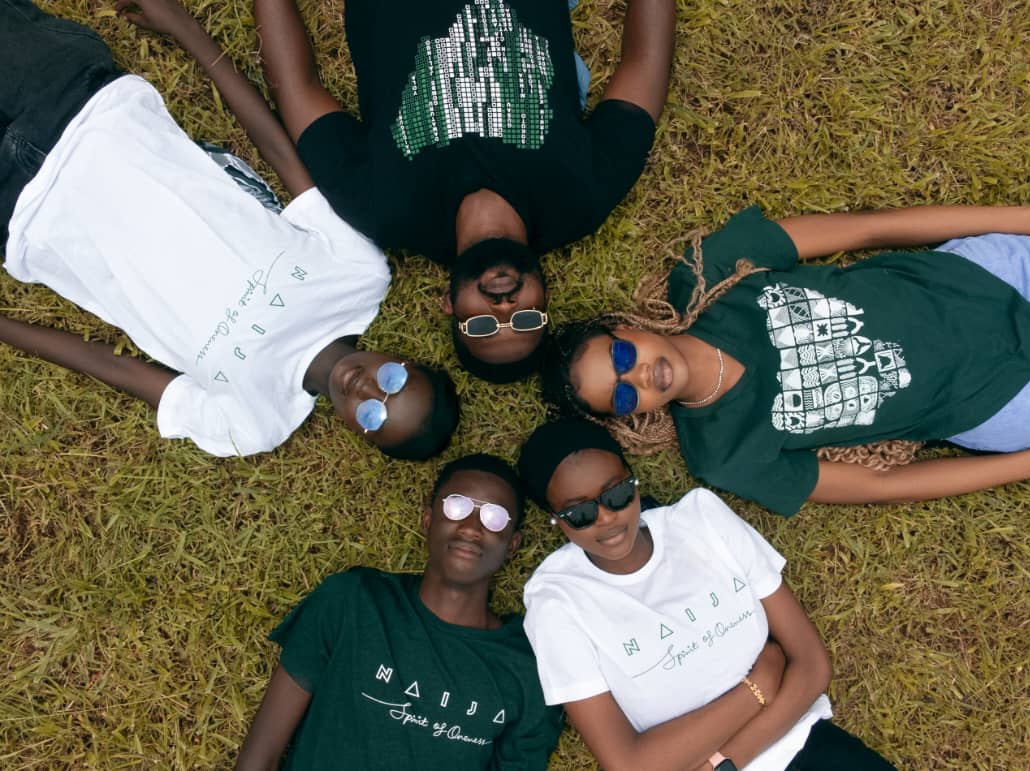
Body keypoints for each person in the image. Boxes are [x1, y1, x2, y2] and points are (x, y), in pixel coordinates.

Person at [0, 0, 458, 459]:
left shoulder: (254, 422)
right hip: (82, 103)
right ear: (404, 361)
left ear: (358, 433)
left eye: (373, 417)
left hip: (21, 214)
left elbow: (117, 368)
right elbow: (277, 149)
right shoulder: (360, 275)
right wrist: (183, 28)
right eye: (393, 383)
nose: (365, 390)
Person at [542, 182, 1030, 514]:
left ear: (626, 326)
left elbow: (869, 230)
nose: (637, 377)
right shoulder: (722, 453)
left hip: (1001, 278)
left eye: (619, 358)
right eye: (622, 398)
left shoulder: (708, 271)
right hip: (1012, 397)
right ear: (631, 417)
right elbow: (879, 485)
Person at [253, 0, 676, 382]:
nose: (505, 308)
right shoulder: (582, 197)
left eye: (483, 326)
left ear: (450, 306)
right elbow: (643, 66)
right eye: (527, 319)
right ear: (545, 297)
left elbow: (297, 88)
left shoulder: (382, 208)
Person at [517, 419, 895, 771]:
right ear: (555, 520)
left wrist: (726, 762)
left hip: (812, 749)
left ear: (633, 482)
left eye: (616, 494)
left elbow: (812, 664)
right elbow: (629, 763)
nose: (607, 518)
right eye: (579, 513)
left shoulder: (701, 519)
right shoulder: (556, 600)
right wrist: (758, 688)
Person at [234, 453, 563, 769]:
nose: (472, 527)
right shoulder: (353, 602)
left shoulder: (529, 668)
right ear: (428, 519)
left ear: (512, 543)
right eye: (457, 506)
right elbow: (260, 757)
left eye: (494, 517)